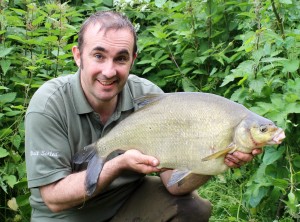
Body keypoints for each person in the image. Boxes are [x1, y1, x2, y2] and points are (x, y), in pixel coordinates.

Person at [25, 11, 261, 222]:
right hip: (70, 215)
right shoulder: (48, 104)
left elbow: (175, 185)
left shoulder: (147, 95)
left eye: (120, 58)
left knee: (192, 208)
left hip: (125, 203)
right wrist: (117, 164)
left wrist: (214, 160)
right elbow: (54, 199)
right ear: (78, 56)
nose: (109, 71)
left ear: (132, 60)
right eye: (98, 56)